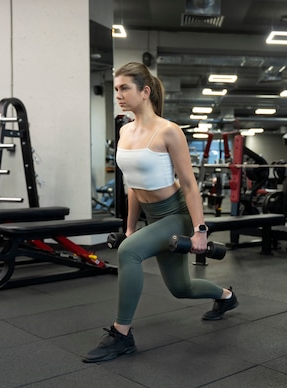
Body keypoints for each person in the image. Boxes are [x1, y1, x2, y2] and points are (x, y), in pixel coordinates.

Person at [83, 62, 238, 363]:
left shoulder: (169, 131)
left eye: (124, 88)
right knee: (181, 289)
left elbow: (191, 186)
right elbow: (133, 186)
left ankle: (122, 335)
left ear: (145, 91)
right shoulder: (126, 131)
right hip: (153, 217)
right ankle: (227, 297)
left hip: (175, 215)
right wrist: (129, 228)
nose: (119, 94)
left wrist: (199, 231)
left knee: (129, 253)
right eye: (116, 89)